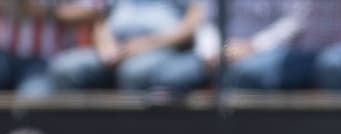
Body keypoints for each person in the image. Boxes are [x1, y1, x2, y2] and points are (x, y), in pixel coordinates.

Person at [48, 0, 209, 94]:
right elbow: (102, 19)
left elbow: (189, 28)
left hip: (164, 50)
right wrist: (106, 47)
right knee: (66, 68)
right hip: (117, 51)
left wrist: (143, 46)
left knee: (134, 72)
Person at [0, 0, 107, 97]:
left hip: (46, 61)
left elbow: (94, 11)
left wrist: (48, 12)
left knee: (31, 106)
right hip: (5, 54)